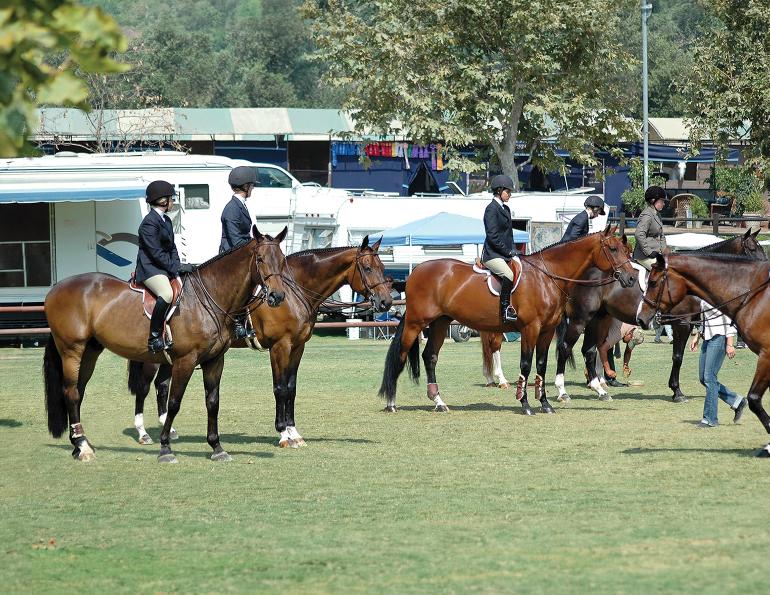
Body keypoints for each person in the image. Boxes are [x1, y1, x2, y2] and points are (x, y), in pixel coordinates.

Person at [135, 180, 192, 353]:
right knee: (167, 294)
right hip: (150, 269)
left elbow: (172, 247)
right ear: (162, 201)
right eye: (170, 198)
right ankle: (154, 338)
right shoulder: (149, 223)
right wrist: (174, 268)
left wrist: (178, 265)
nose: (173, 201)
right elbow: (156, 253)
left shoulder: (166, 220)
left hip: (164, 267)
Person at [689, 299, 747, 428]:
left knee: (709, 378)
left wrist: (730, 344)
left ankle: (710, 419)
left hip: (719, 337)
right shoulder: (704, 295)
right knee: (703, 378)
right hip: (707, 338)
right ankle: (737, 401)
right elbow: (705, 318)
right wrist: (697, 335)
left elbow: (729, 318)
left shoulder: (720, 294)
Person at [220, 166, 259, 339]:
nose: (253, 188)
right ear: (246, 186)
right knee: (242, 287)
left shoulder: (240, 206)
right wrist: (254, 246)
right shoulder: (232, 209)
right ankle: (236, 322)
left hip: (241, 254)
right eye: (252, 185)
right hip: (231, 257)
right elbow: (235, 240)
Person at [482, 174, 518, 322]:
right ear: (499, 191)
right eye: (507, 191)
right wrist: (507, 251)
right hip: (492, 254)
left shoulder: (506, 209)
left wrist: (514, 251)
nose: (510, 194)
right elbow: (493, 236)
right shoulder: (491, 209)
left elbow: (509, 234)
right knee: (508, 274)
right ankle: (505, 310)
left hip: (505, 253)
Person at [596, 322, 644, 389]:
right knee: (602, 350)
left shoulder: (634, 330)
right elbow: (602, 350)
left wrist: (625, 365)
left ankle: (609, 379)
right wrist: (608, 370)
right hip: (598, 327)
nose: (628, 343)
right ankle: (595, 378)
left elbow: (628, 351)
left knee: (608, 349)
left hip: (609, 330)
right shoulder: (618, 333)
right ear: (630, 334)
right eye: (630, 341)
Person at [633, 185, 668, 270]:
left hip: (656, 253)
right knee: (662, 271)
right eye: (662, 201)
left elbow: (661, 235)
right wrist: (649, 252)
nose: (664, 204)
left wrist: (664, 251)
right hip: (644, 256)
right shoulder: (647, 215)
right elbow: (639, 234)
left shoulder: (657, 214)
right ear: (653, 200)